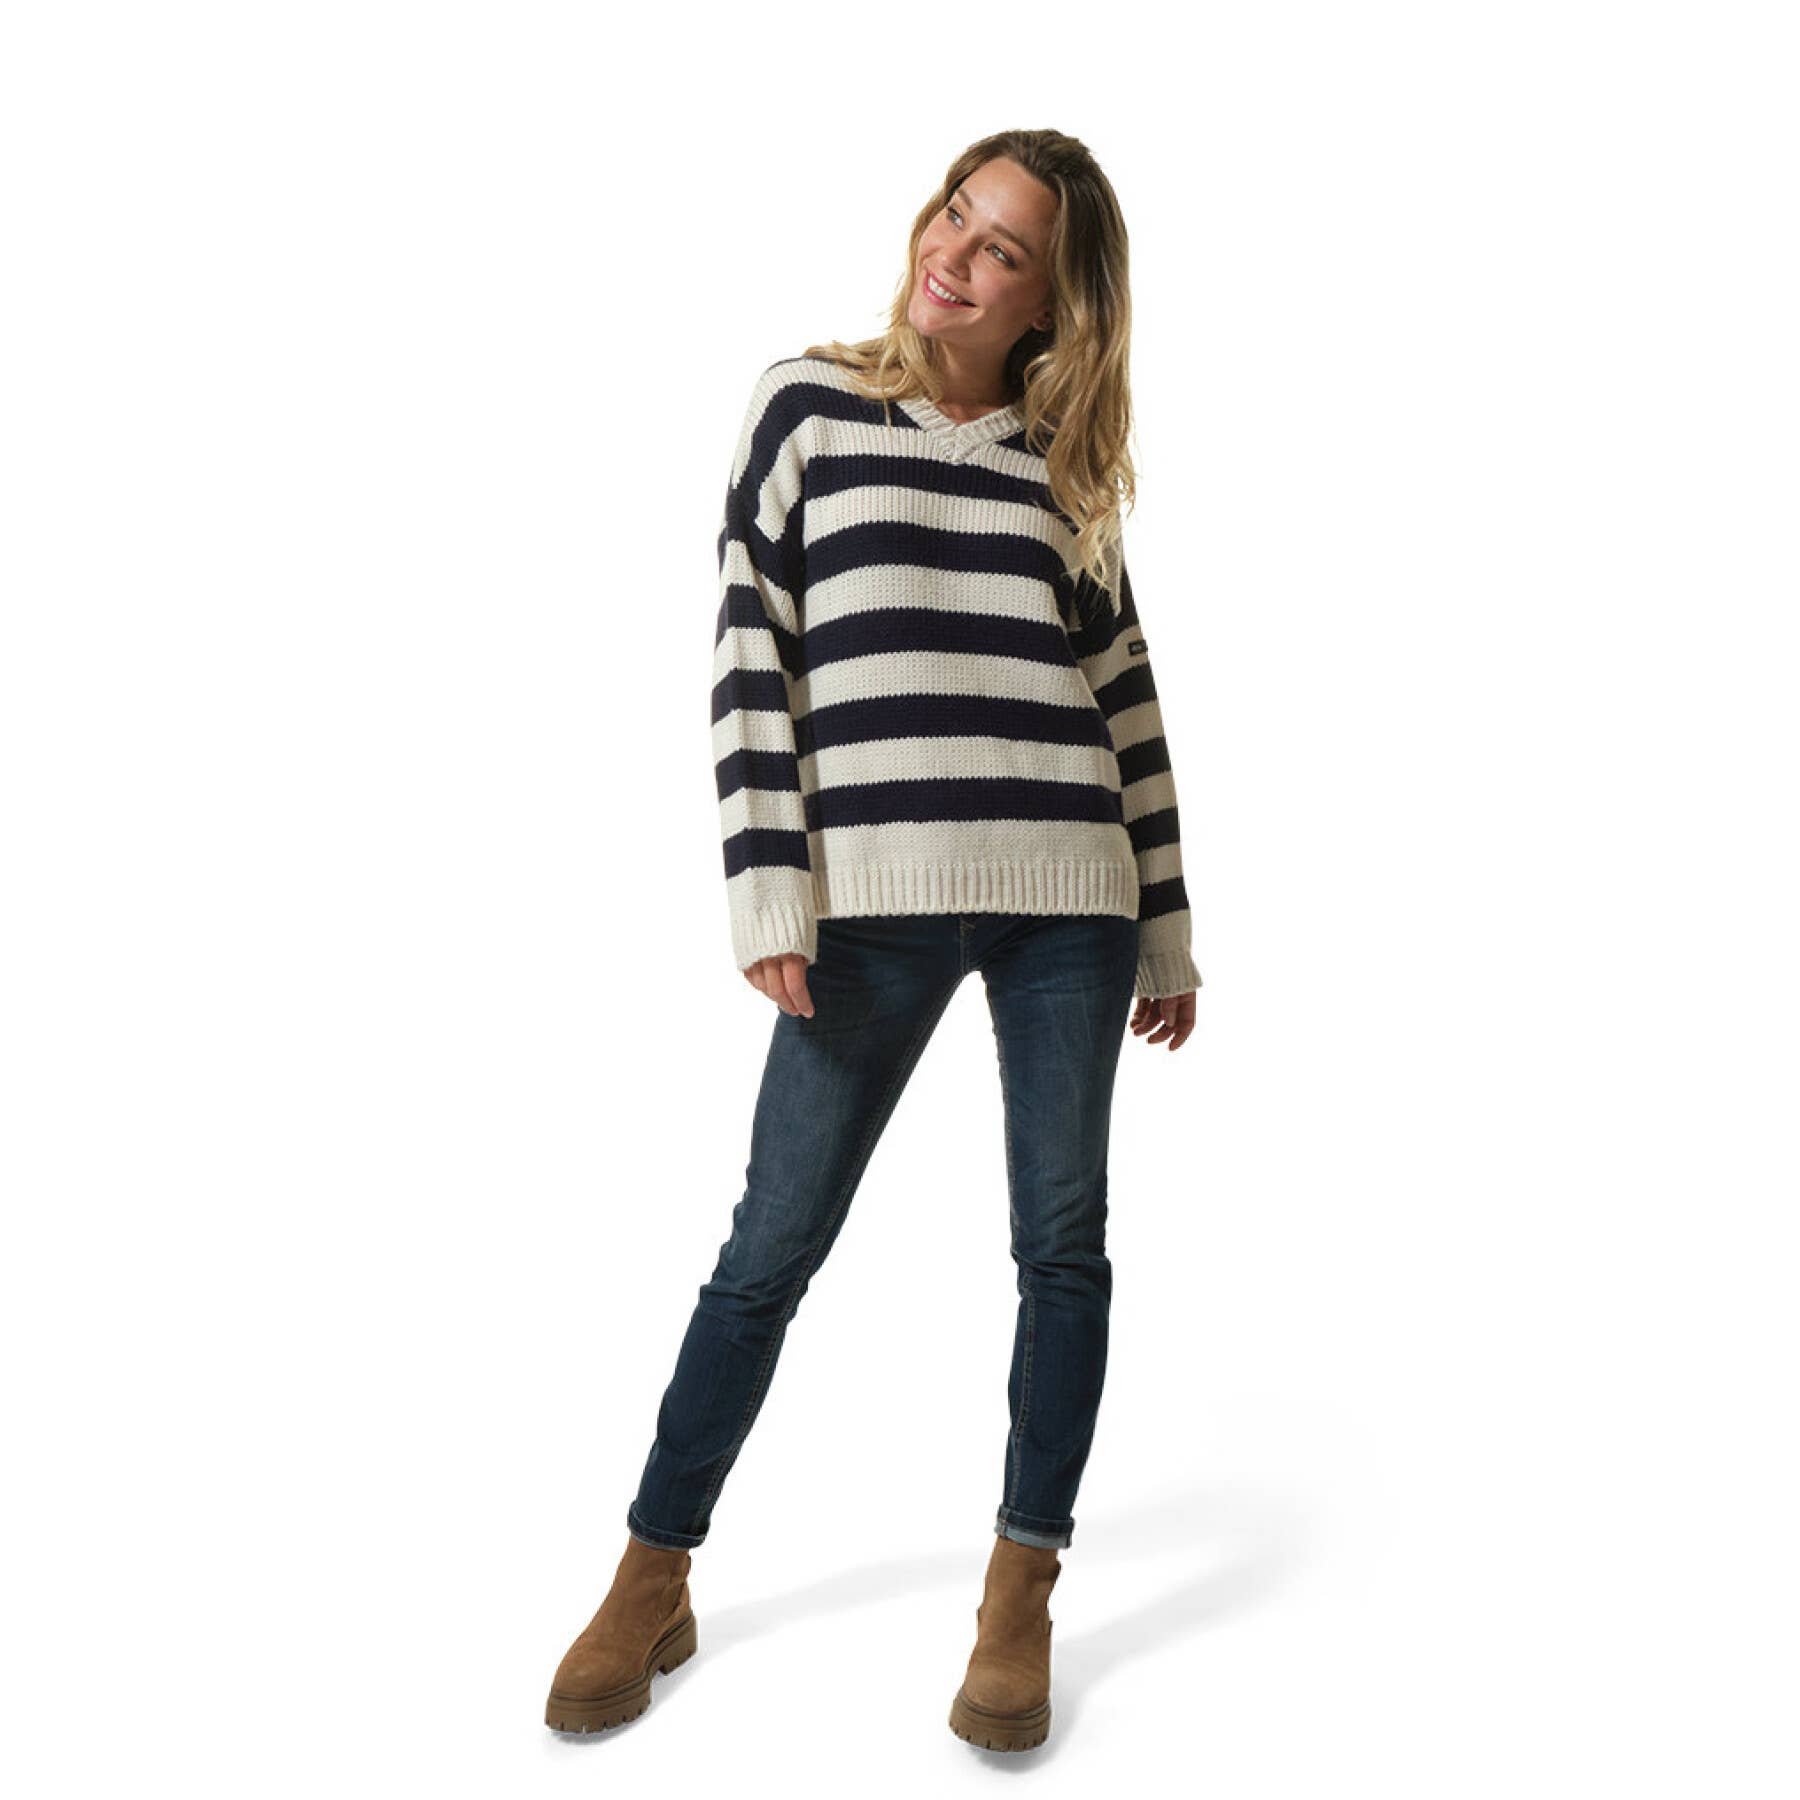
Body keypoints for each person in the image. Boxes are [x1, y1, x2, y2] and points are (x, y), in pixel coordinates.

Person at [546, 128, 1202, 1752]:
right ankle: (652, 1571)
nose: (954, 257)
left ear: (1054, 300)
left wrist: (1167, 926)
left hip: (1070, 892)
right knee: (771, 1245)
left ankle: (1018, 1598)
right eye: (954, 217)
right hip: (869, 901)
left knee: (1062, 1247)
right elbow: (749, 652)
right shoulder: (808, 405)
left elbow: (1124, 699)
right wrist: (769, 888)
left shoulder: (1065, 464)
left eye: (1003, 250)